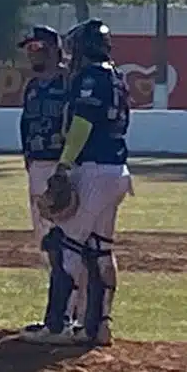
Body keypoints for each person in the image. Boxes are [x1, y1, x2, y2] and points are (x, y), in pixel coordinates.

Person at [21, 18, 132, 348]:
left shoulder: (90, 77)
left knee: (64, 246)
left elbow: (82, 123)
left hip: (94, 168)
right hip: (118, 169)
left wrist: (64, 164)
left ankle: (57, 325)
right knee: (100, 249)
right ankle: (98, 325)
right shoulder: (116, 76)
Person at [19, 25, 73, 328]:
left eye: (35, 48)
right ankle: (58, 310)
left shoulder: (69, 81)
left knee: (67, 237)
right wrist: (27, 159)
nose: (30, 53)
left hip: (60, 165)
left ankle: (71, 311)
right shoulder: (32, 86)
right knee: (44, 238)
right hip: (38, 166)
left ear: (51, 48)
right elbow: (26, 124)